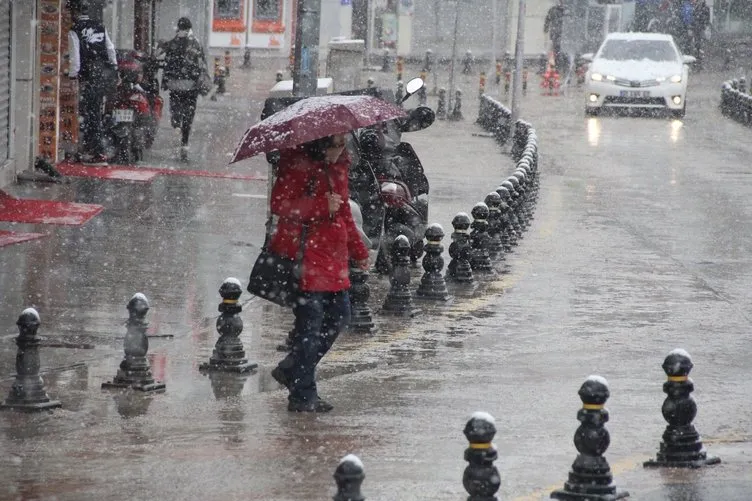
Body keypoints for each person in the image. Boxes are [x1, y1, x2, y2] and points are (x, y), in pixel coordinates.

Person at [269, 134, 370, 413]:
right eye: (335, 144)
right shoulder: (297, 164)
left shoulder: (339, 167)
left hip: (333, 259)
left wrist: (358, 250)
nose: (340, 150)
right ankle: (302, 394)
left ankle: (292, 369)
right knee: (309, 329)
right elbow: (280, 204)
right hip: (307, 259)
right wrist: (318, 207)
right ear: (320, 143)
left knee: (339, 318)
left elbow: (345, 213)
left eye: (342, 144)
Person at [68, 1, 118, 165]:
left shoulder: (75, 30)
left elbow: (75, 58)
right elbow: (110, 49)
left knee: (91, 114)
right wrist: (114, 69)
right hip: (104, 74)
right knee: (95, 111)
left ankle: (98, 152)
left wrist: (73, 76)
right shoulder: (99, 26)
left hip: (89, 75)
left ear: (75, 12)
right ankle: (94, 149)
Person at [161, 17, 207, 161]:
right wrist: (201, 82)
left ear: (178, 27)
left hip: (175, 84)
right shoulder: (196, 44)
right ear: (190, 28)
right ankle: (184, 143)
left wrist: (165, 80)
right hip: (191, 85)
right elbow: (202, 64)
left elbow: (166, 61)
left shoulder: (172, 43)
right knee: (189, 114)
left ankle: (176, 124)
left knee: (175, 107)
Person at [544, 0, 565, 74]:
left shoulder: (565, 11)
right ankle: (557, 68)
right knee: (556, 51)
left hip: (561, 35)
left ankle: (558, 67)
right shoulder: (554, 10)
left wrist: (546, 28)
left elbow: (548, 19)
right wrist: (546, 28)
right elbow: (548, 19)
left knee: (558, 51)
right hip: (557, 34)